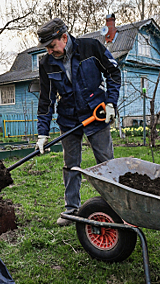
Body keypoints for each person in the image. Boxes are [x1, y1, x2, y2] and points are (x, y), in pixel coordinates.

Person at [36, 17, 121, 226]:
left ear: (64, 37)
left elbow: (113, 73)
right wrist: (42, 133)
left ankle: (115, 207)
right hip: (69, 118)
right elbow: (46, 99)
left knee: (106, 163)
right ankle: (71, 210)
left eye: (52, 46)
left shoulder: (91, 47)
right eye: (46, 48)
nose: (49, 51)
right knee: (70, 165)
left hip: (96, 113)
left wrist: (111, 103)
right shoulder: (46, 63)